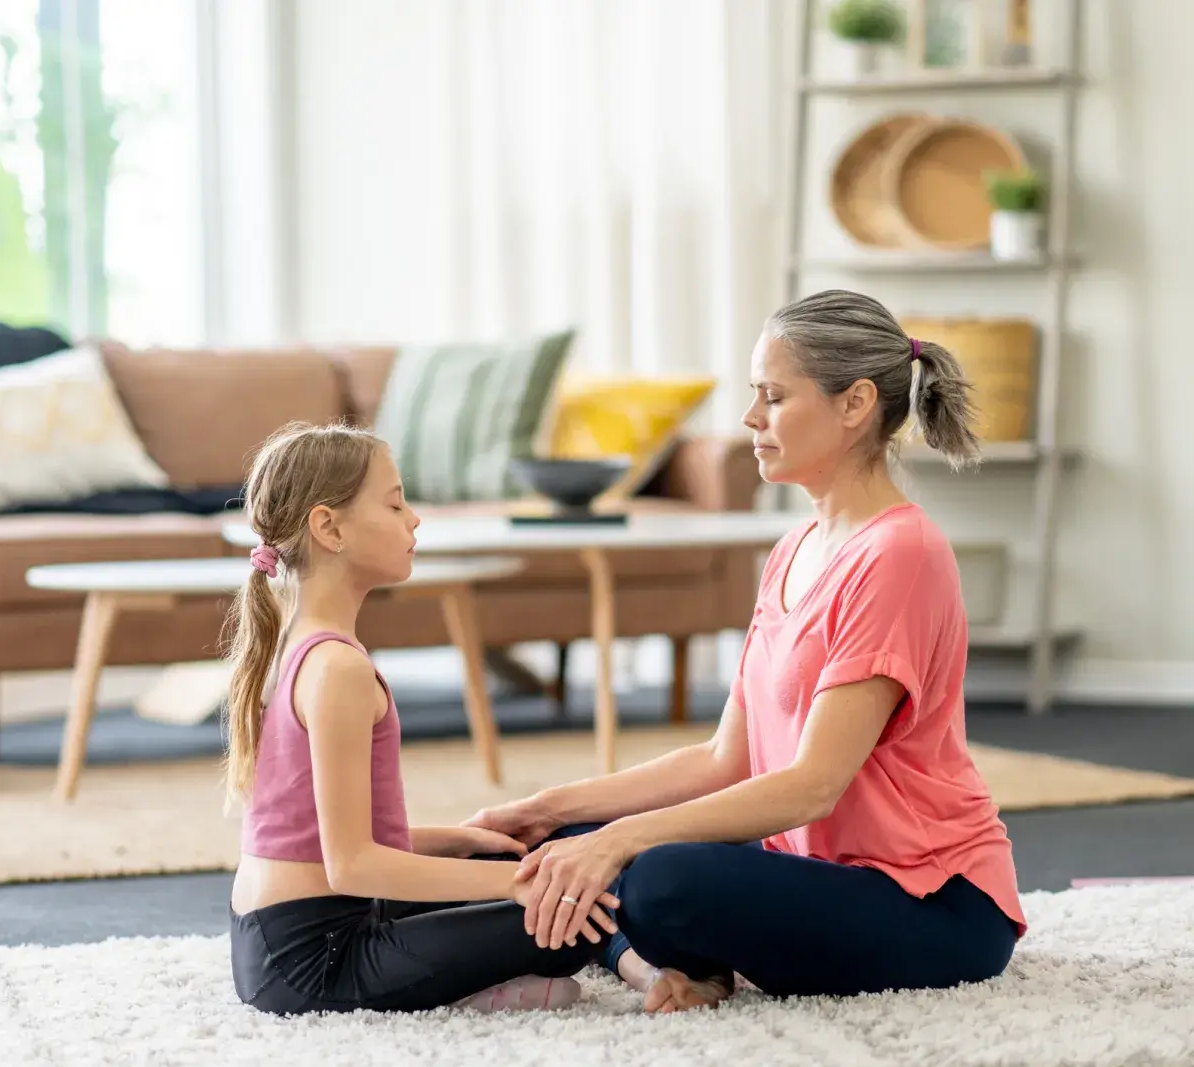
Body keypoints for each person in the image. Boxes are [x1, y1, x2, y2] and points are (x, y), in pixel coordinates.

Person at [466, 289, 1028, 1015]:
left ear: (855, 403)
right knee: (566, 843)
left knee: (658, 877)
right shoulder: (794, 547)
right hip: (811, 869)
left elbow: (811, 785)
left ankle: (651, 954)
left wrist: (621, 841)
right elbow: (723, 759)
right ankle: (651, 965)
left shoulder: (900, 553)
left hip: (929, 901)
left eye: (773, 395)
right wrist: (547, 808)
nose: (749, 418)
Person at [223, 421, 621, 1016]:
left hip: (282, 934)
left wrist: (461, 841)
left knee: (511, 865)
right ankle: (492, 988)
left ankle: (486, 957)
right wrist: (520, 885)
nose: (415, 519)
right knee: (564, 916)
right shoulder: (336, 671)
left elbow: (319, 837)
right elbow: (353, 863)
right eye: (395, 502)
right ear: (329, 528)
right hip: (314, 959)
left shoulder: (296, 645)